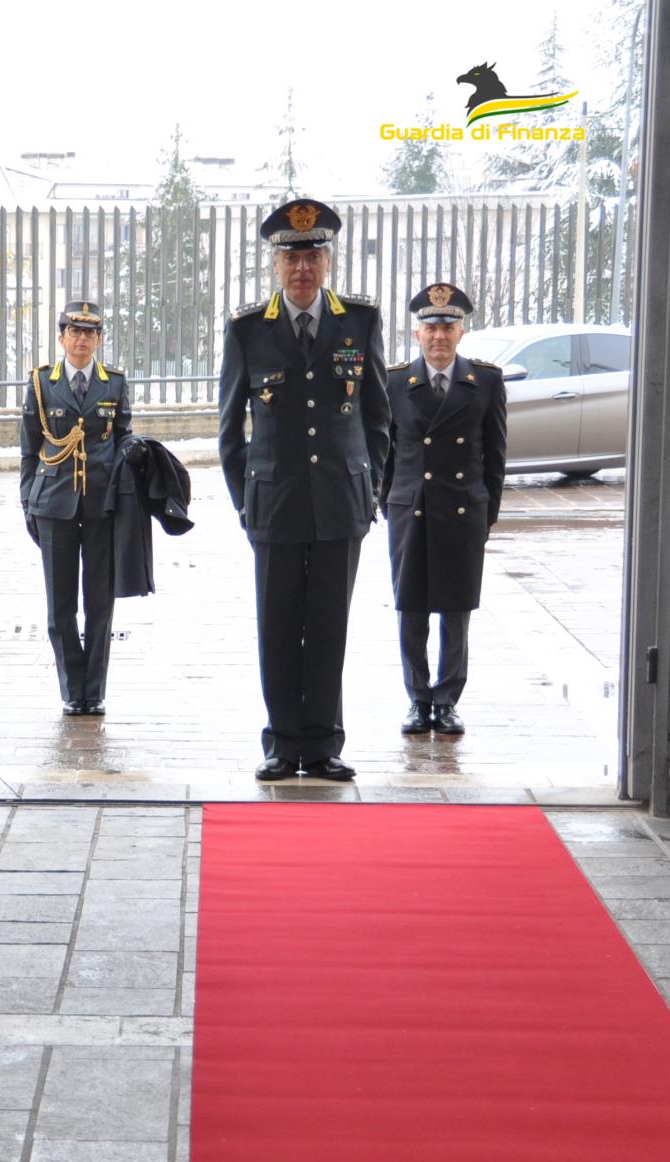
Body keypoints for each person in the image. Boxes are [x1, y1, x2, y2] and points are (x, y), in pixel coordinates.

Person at [218, 198, 390, 781]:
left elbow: (377, 417)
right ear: (274, 264)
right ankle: (280, 742)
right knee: (277, 623)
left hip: (341, 502)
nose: (301, 269)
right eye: (290, 258)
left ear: (328, 261)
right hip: (275, 502)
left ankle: (322, 744)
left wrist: (371, 487)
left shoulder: (359, 323)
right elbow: (229, 430)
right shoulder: (247, 329)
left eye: (312, 256)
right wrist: (247, 499)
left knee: (328, 625)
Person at [383, 283, 507, 736]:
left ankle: (448, 699)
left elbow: (495, 456)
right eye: (430, 327)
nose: (439, 335)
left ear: (461, 332)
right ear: (417, 333)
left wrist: (485, 513)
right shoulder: (396, 381)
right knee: (411, 608)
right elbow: (386, 452)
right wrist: (389, 502)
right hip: (410, 508)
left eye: (448, 326)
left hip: (462, 510)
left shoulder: (485, 381)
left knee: (456, 610)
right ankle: (418, 699)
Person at [19, 301, 134, 716]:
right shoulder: (41, 383)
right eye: (74, 330)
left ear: (99, 339)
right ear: (62, 337)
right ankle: (72, 690)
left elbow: (124, 441)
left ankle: (94, 690)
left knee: (100, 602)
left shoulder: (115, 384)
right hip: (54, 504)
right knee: (60, 604)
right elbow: (29, 450)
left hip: (101, 505)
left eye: (90, 332)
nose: (82, 338)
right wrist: (28, 502)